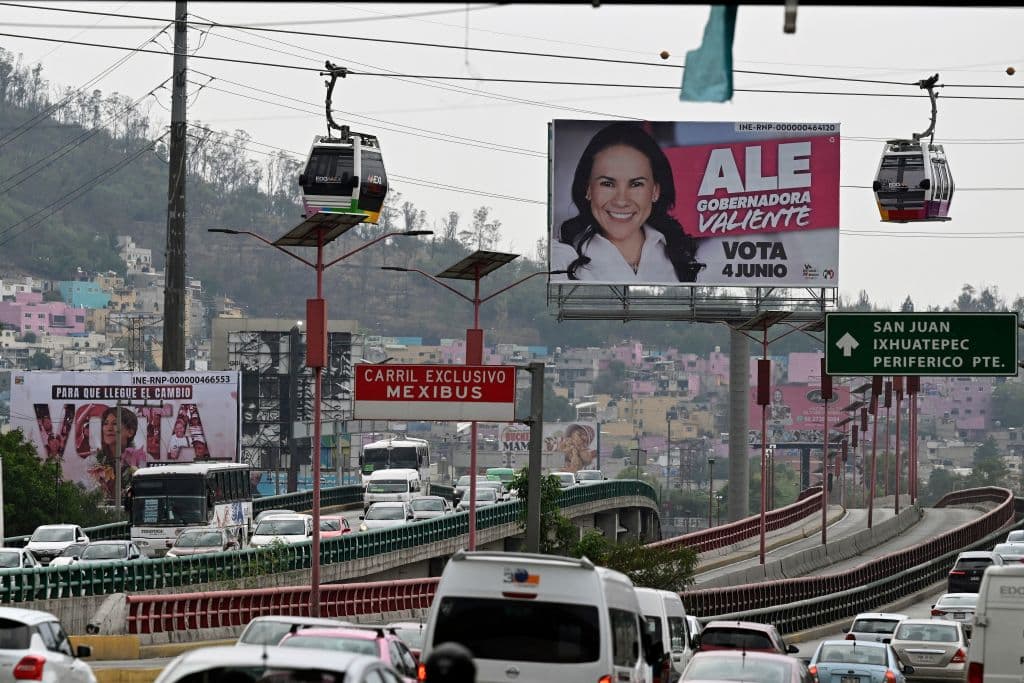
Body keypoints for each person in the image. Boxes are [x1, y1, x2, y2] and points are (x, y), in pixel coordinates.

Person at [552, 122, 704, 282]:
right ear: (588, 189)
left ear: (655, 191)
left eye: (636, 184)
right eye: (607, 184)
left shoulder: (685, 255)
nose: (621, 201)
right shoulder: (559, 259)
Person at [90, 407, 147, 501]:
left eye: (115, 423)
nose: (109, 428)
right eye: (105, 423)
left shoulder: (141, 459)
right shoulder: (93, 461)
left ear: (130, 432)